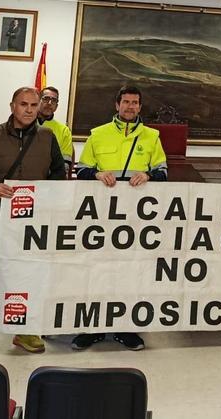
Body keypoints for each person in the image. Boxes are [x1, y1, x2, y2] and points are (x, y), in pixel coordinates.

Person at [0, 88, 65, 357]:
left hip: (33, 222)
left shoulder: (47, 136)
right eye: (23, 104)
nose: (29, 110)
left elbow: (58, 172)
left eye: (33, 104)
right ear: (12, 106)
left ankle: (26, 329)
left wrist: (46, 193)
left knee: (29, 274)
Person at [72, 84, 168, 351]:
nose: (130, 107)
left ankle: (126, 328)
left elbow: (163, 172)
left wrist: (148, 176)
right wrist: (96, 174)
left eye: (135, 102)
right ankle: (92, 328)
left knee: (131, 271)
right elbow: (81, 170)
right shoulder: (97, 134)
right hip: (101, 217)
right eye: (125, 102)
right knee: (96, 270)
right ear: (117, 105)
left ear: (140, 106)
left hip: (137, 219)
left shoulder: (152, 137)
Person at [37, 86, 75, 165]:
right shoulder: (26, 123)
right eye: (46, 99)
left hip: (53, 172)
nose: (49, 103)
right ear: (38, 101)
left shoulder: (64, 130)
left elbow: (65, 162)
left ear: (56, 107)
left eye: (53, 100)